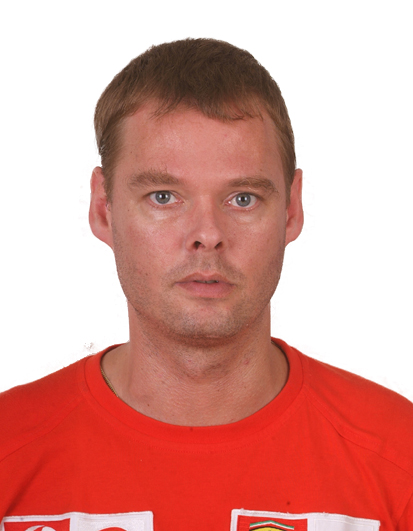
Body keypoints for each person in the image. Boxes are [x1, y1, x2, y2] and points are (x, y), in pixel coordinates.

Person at [0, 38, 412, 531]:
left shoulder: (399, 457)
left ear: (291, 210)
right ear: (103, 209)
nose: (207, 235)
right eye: (163, 196)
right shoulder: (9, 451)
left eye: (243, 198)